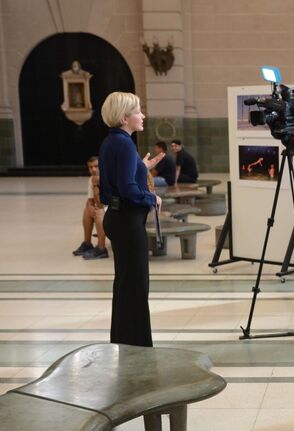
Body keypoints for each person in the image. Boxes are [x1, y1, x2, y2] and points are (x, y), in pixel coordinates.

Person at [99, 91, 163, 347]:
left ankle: (124, 342)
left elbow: (111, 186)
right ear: (125, 118)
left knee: (125, 285)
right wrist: (151, 198)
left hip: (116, 217)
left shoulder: (112, 141)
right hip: (127, 221)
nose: (142, 115)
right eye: (138, 111)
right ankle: (137, 347)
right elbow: (127, 190)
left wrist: (139, 168)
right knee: (136, 287)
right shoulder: (125, 144)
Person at [72, 156, 108, 260]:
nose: (93, 169)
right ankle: (87, 243)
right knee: (87, 210)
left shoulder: (108, 178)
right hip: (102, 206)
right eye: (90, 167)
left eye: (96, 166)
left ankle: (102, 249)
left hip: (113, 208)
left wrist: (96, 185)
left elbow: (102, 203)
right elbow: (90, 200)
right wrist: (90, 206)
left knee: (99, 212)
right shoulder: (91, 179)